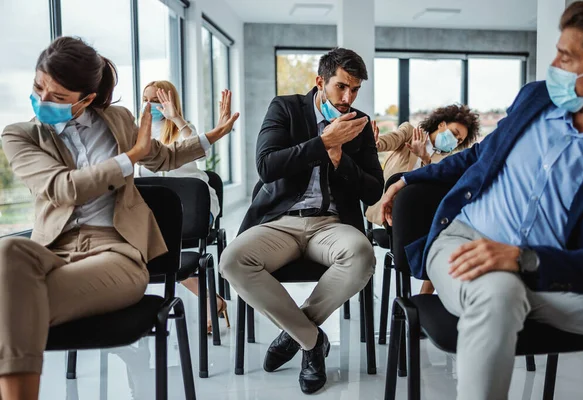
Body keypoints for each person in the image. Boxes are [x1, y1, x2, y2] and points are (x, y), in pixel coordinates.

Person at [379, 1, 583, 398]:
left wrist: (523, 259)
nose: (553, 64)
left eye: (566, 57)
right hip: (468, 242)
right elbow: (479, 156)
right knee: (500, 294)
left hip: (550, 270)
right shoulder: (535, 100)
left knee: (509, 290)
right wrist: (408, 177)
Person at [0, 36, 238, 400]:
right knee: (8, 253)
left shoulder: (118, 120)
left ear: (87, 99)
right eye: (38, 88)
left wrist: (210, 136)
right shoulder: (20, 135)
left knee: (13, 304)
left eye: (59, 97)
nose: (43, 101)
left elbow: (161, 158)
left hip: (116, 253)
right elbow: (62, 188)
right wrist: (129, 158)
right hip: (54, 252)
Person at [220, 48, 383, 394]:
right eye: (341, 87)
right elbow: (266, 165)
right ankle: (311, 340)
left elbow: (373, 190)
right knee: (232, 261)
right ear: (320, 81)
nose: (347, 97)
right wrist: (322, 144)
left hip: (332, 224)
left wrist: (341, 161)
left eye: (355, 90)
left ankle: (295, 332)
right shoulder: (285, 108)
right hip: (280, 220)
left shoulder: (360, 123)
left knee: (363, 255)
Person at [138, 80, 228, 334]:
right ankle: (212, 300)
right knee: (148, 252)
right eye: (146, 99)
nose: (149, 105)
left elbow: (202, 154)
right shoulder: (140, 134)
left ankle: (211, 302)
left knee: (162, 250)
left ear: (169, 101)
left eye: (155, 100)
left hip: (193, 208)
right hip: (159, 212)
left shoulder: (183, 128)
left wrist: (176, 118)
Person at [367, 105, 480, 295]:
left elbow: (430, 190)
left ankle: (423, 297)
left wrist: (425, 158)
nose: (454, 141)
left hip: (420, 217)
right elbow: (385, 143)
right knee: (438, 235)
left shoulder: (445, 161)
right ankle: (422, 299)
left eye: (459, 140)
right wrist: (374, 142)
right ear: (442, 124)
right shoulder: (410, 132)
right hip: (390, 211)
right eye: (454, 133)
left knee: (443, 234)